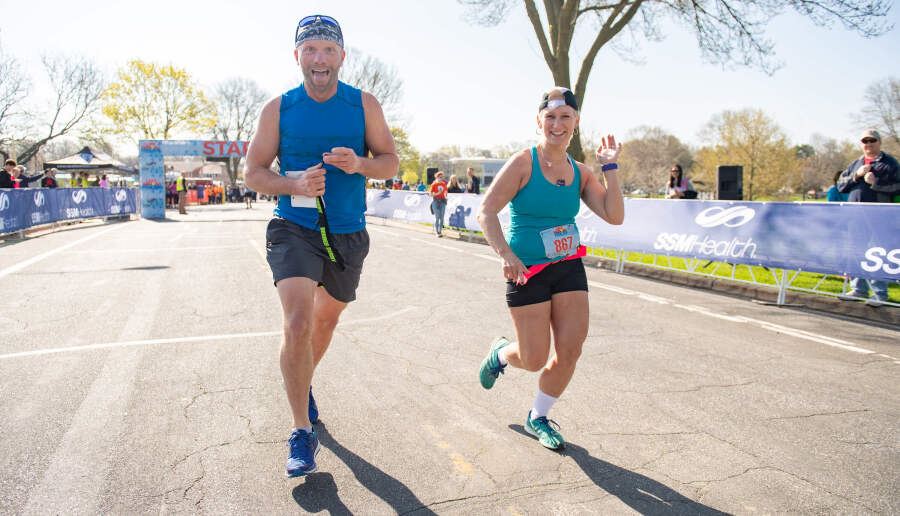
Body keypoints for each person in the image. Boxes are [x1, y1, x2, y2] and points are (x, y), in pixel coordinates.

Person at [243, 14, 398, 478]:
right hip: (294, 226)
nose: (319, 59)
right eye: (310, 49)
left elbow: (389, 162)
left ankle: (302, 380)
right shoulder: (278, 109)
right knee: (297, 320)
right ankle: (300, 431)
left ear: (342, 58)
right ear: (297, 57)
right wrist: (292, 181)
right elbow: (254, 173)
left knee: (325, 321)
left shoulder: (363, 105)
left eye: (328, 50)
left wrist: (359, 165)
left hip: (348, 231)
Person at [476, 87, 624, 450]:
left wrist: (610, 168)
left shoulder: (582, 173)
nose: (557, 125)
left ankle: (538, 416)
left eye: (565, 117)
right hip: (526, 271)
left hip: (568, 267)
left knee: (571, 350)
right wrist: (505, 255)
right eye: (551, 117)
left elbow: (615, 216)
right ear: (539, 121)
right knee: (533, 357)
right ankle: (500, 354)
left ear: (576, 123)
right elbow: (487, 211)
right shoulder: (523, 162)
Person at [836, 129, 899, 305]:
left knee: (875, 253)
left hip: (878, 215)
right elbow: (841, 185)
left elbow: (897, 186)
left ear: (879, 143)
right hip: (855, 215)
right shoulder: (856, 163)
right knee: (855, 250)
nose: (868, 144)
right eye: (865, 141)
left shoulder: (890, 163)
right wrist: (856, 176)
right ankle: (859, 289)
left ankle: (880, 294)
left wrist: (876, 183)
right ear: (861, 144)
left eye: (872, 141)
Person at [429, 170, 448, 237]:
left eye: (442, 177)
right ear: (436, 177)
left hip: (443, 201)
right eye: (439, 177)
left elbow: (445, 192)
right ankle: (437, 232)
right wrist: (437, 193)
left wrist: (446, 197)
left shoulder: (443, 184)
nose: (441, 178)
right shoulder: (434, 184)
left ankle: (440, 231)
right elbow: (430, 194)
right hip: (435, 201)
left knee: (442, 217)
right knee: (437, 217)